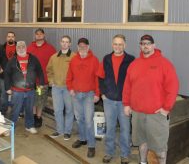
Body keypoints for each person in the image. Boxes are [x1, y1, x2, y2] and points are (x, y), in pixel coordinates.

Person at [122, 34, 179, 164]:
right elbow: (127, 86)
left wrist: (166, 108)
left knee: (159, 148)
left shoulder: (165, 64)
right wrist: (126, 104)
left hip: (157, 115)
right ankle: (143, 162)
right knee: (142, 143)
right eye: (142, 43)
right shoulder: (134, 64)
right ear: (140, 46)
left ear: (154, 45)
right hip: (138, 113)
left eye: (148, 43)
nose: (145, 46)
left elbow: (173, 87)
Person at [98, 34, 135, 164]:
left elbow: (134, 81)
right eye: (115, 44)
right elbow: (100, 77)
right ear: (112, 45)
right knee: (110, 128)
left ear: (125, 45)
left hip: (124, 102)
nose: (117, 46)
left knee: (125, 129)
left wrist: (130, 102)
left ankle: (125, 154)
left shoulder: (131, 60)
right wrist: (102, 93)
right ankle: (109, 152)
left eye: (120, 44)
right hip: (108, 100)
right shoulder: (106, 58)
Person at [66, 38, 100, 158]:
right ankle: (82, 138)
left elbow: (97, 78)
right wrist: (70, 88)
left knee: (89, 121)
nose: (82, 48)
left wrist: (97, 94)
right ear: (77, 47)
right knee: (79, 118)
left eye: (84, 46)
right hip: (76, 94)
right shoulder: (73, 60)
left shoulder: (94, 60)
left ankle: (91, 145)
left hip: (89, 95)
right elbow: (69, 76)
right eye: (80, 46)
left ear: (88, 47)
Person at [5, 41, 45, 134]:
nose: (21, 49)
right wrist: (7, 88)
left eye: (23, 46)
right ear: (16, 49)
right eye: (19, 47)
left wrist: (41, 83)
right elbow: (6, 74)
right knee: (15, 110)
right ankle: (11, 127)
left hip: (30, 90)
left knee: (29, 109)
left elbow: (40, 71)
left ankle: (29, 125)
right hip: (17, 90)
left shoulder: (33, 59)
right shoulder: (12, 60)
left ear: (26, 48)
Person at [46, 35, 76, 140]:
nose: (64, 43)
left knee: (69, 110)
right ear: (60, 43)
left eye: (67, 42)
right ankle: (59, 130)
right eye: (63, 41)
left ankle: (67, 131)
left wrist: (73, 86)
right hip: (56, 88)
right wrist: (51, 81)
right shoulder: (54, 57)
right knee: (58, 110)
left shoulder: (74, 57)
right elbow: (49, 70)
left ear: (70, 44)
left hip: (68, 88)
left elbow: (77, 73)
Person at [27, 28, 56, 128]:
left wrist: (51, 78)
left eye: (41, 34)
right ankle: (34, 115)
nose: (39, 35)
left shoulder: (50, 48)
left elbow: (54, 65)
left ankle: (39, 117)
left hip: (42, 81)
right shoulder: (30, 47)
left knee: (40, 100)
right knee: (32, 99)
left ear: (44, 35)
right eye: (37, 34)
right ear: (35, 36)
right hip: (31, 81)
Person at [0, 31, 17, 116]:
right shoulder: (1, 48)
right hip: (3, 77)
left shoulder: (19, 47)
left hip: (15, 77)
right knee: (3, 95)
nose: (10, 38)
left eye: (12, 36)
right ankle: (2, 112)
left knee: (15, 96)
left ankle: (14, 112)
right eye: (9, 36)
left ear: (14, 38)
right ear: (6, 38)